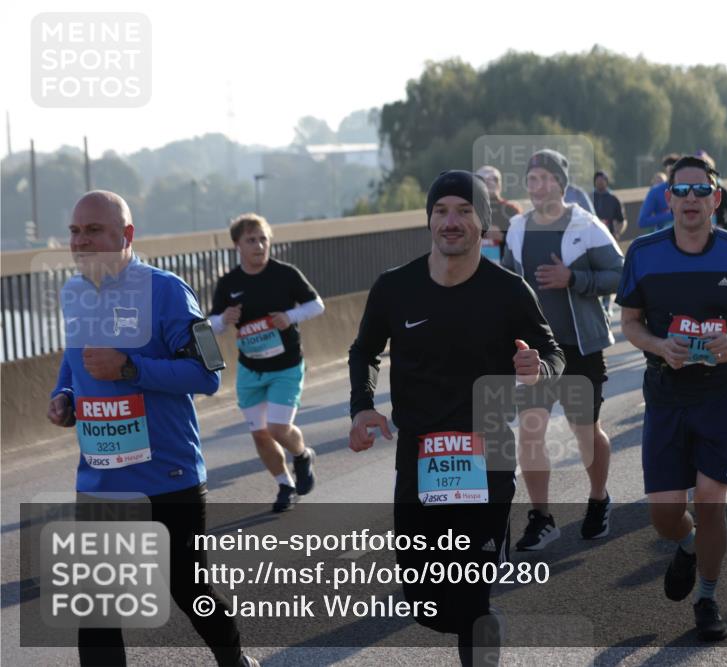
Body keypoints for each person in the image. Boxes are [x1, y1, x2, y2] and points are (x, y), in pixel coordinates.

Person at [347, 170, 565, 665]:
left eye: (465, 211)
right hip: (419, 453)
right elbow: (364, 350)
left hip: (485, 452)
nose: (451, 221)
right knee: (423, 595)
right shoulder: (394, 287)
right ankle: (475, 617)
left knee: (471, 592)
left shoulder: (508, 291)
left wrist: (539, 367)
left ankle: (480, 624)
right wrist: (362, 406)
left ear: (483, 224)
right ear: (429, 220)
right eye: (442, 211)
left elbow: (552, 352)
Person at [47, 191, 258, 667]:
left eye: (94, 231)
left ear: (126, 236)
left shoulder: (167, 291)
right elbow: (73, 358)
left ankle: (234, 659)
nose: (82, 241)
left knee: (189, 589)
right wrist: (64, 396)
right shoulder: (74, 292)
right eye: (75, 232)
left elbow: (209, 372)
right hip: (101, 479)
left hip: (168, 476)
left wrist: (130, 369)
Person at [617, 155, 727, 641]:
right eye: (680, 191)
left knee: (711, 502)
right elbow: (629, 322)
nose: (690, 199)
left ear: (716, 198)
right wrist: (657, 345)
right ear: (668, 199)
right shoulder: (644, 253)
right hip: (666, 393)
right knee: (665, 513)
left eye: (699, 190)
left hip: (721, 392)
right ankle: (686, 546)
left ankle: (707, 598)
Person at [502, 149, 624, 550]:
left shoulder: (586, 226)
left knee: (586, 433)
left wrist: (574, 278)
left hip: (579, 348)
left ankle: (598, 498)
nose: (536, 186)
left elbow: (622, 276)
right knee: (530, 433)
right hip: (535, 353)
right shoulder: (518, 228)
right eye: (531, 179)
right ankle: (542, 517)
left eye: (544, 178)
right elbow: (506, 280)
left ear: (560, 183)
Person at [209, 213, 323, 513]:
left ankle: (302, 455)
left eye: (263, 239)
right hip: (250, 369)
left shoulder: (285, 274)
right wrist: (223, 319)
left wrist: (291, 317)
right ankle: (285, 485)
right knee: (259, 433)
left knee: (276, 427)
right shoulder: (229, 283)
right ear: (238, 245)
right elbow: (210, 324)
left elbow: (317, 305)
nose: (259, 245)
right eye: (251, 240)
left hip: (286, 366)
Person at [593, 170, 628, 314]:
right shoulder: (590, 198)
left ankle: (607, 304)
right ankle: (597, 304)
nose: (600, 182)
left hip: (608, 240)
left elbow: (621, 220)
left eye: (603, 179)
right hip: (592, 242)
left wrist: (617, 233)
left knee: (608, 270)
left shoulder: (613, 199)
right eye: (598, 179)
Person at [476, 165, 523, 262]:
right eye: (484, 179)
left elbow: (523, 243)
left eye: (495, 179)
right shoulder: (467, 209)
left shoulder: (512, 210)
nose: (489, 182)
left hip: (504, 267)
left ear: (500, 184)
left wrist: (501, 237)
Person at [638, 154, 682, 232]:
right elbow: (642, 221)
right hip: (664, 238)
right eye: (670, 171)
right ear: (666, 171)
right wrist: (670, 215)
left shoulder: (690, 189)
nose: (673, 174)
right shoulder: (655, 191)